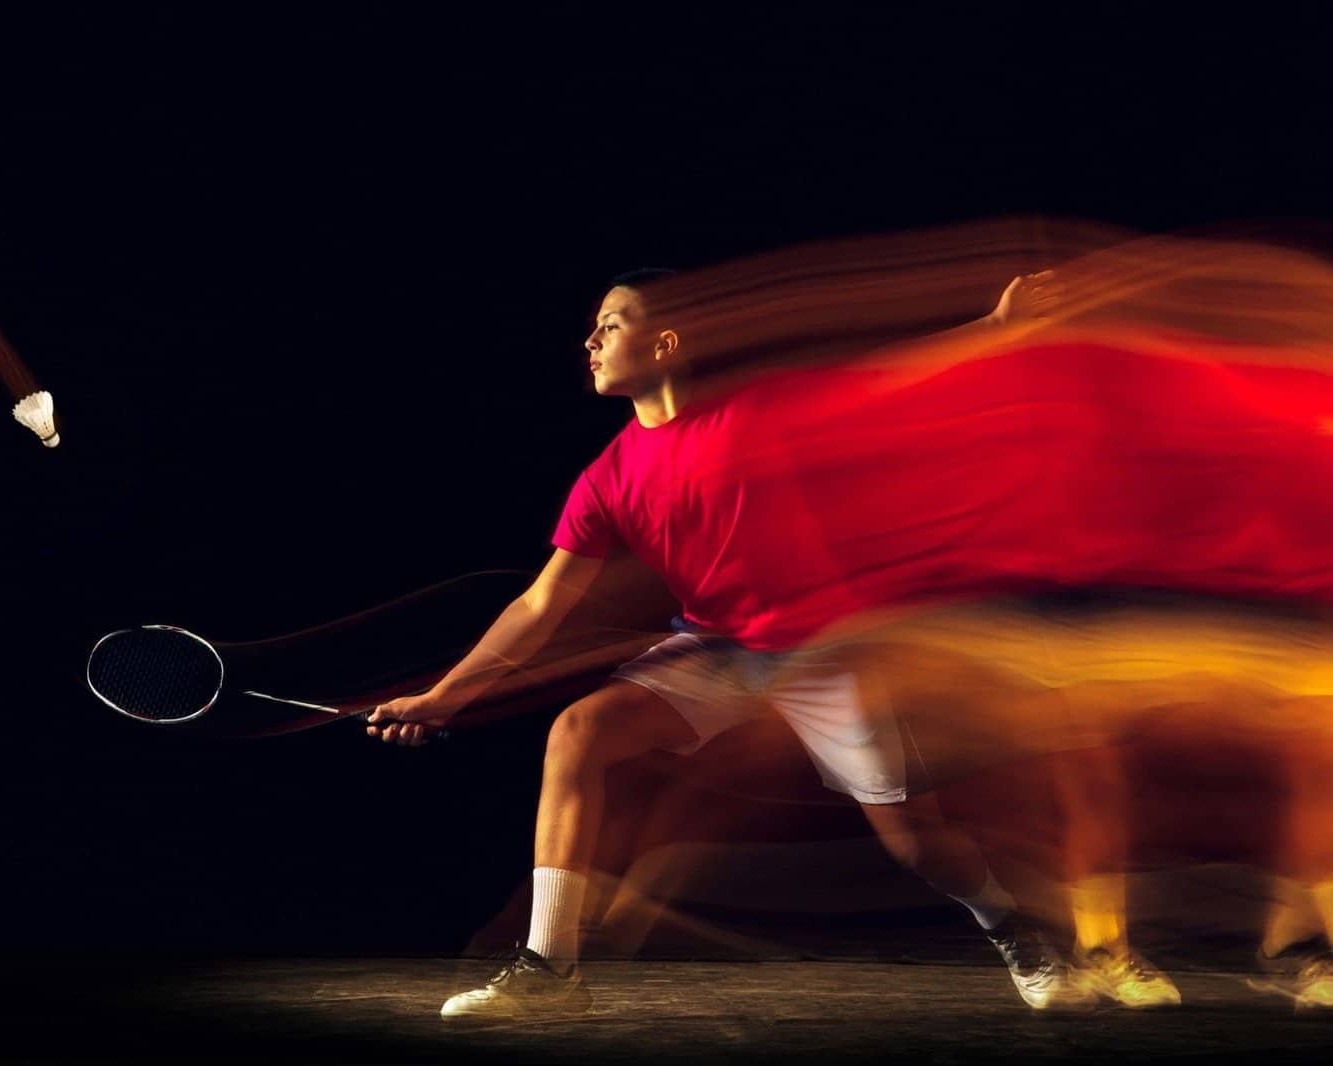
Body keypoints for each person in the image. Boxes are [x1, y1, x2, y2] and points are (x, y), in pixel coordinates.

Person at [368, 268, 1096, 1018]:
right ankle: (551, 972)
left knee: (914, 840)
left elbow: (886, 377)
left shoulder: (761, 411)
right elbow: (542, 601)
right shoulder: (607, 477)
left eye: (611, 324)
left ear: (667, 340)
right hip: (715, 650)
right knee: (580, 733)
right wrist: (444, 696)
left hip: (823, 650)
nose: (589, 341)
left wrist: (999, 325)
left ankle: (1011, 925)